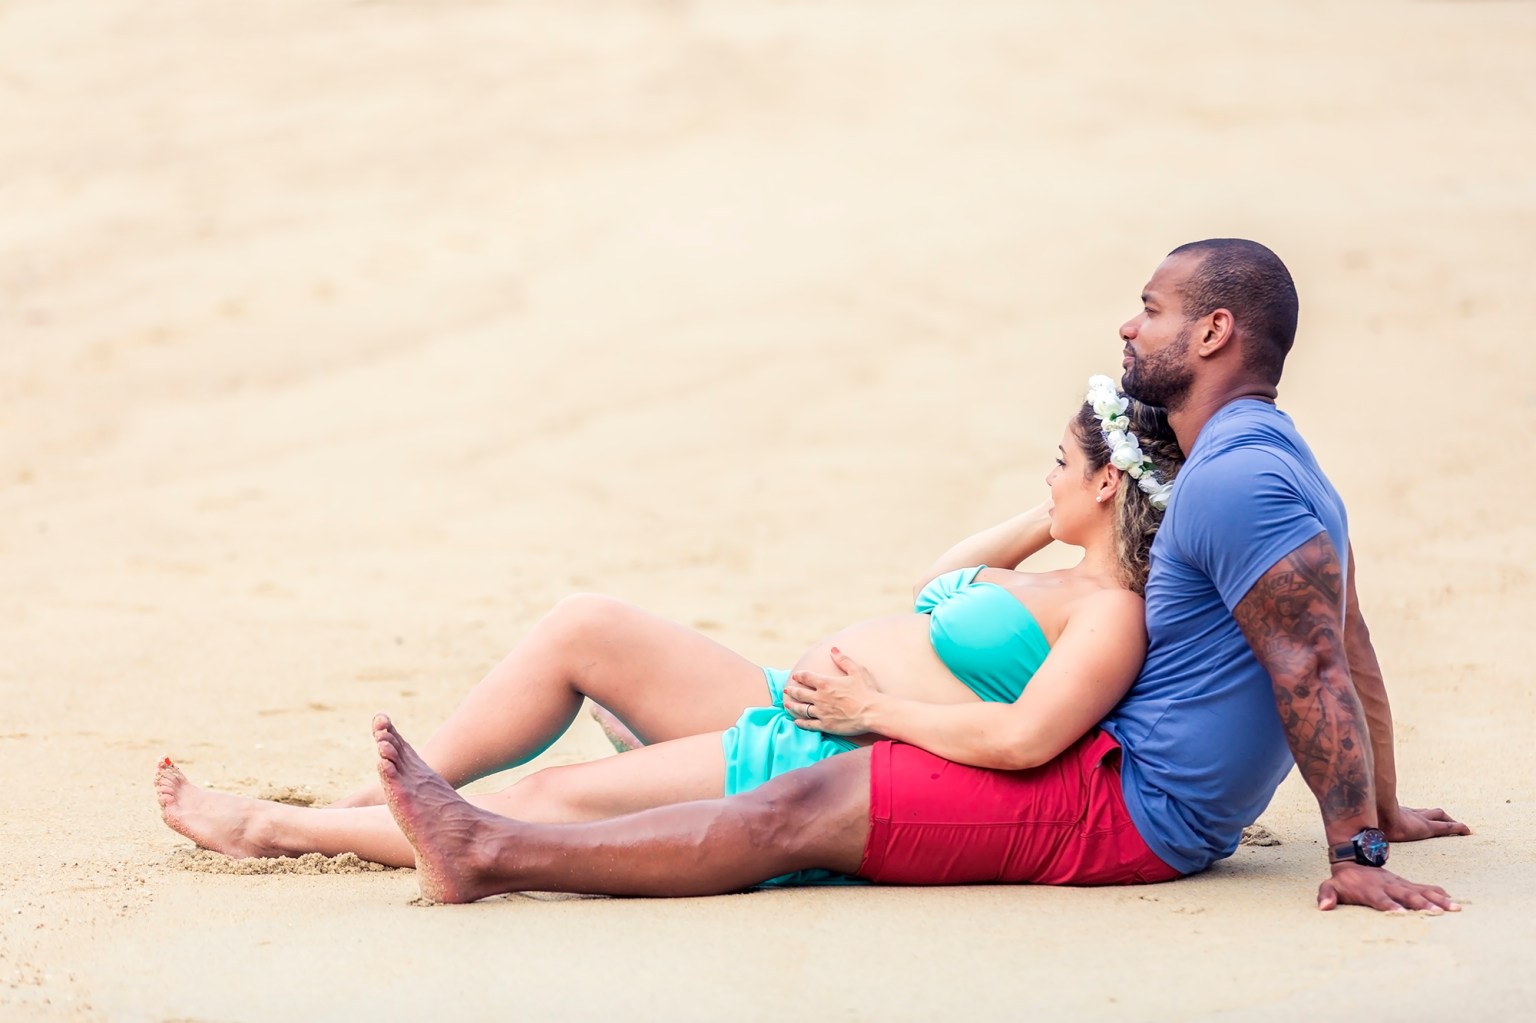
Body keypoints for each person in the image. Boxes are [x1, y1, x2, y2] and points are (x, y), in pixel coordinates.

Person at [361, 239, 1470, 912]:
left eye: (1155, 308)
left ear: (1217, 331)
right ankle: (497, 824)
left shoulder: (1234, 482)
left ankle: (487, 849)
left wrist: (1358, 849)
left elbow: (1316, 653)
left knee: (798, 806)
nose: (1129, 325)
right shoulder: (1278, 460)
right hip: (1117, 779)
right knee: (799, 787)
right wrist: (1373, 797)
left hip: (1130, 809)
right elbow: (1349, 637)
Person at [154, 381, 1184, 874]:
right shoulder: (1056, 567)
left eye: (1058, 461)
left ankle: (275, 829)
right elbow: (941, 580)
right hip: (795, 704)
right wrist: (1057, 509)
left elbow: (1026, 741)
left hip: (817, 749)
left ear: (1106, 481)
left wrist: (877, 707)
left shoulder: (1112, 617)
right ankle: (367, 803)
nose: (1043, 476)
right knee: (583, 624)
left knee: (549, 797)